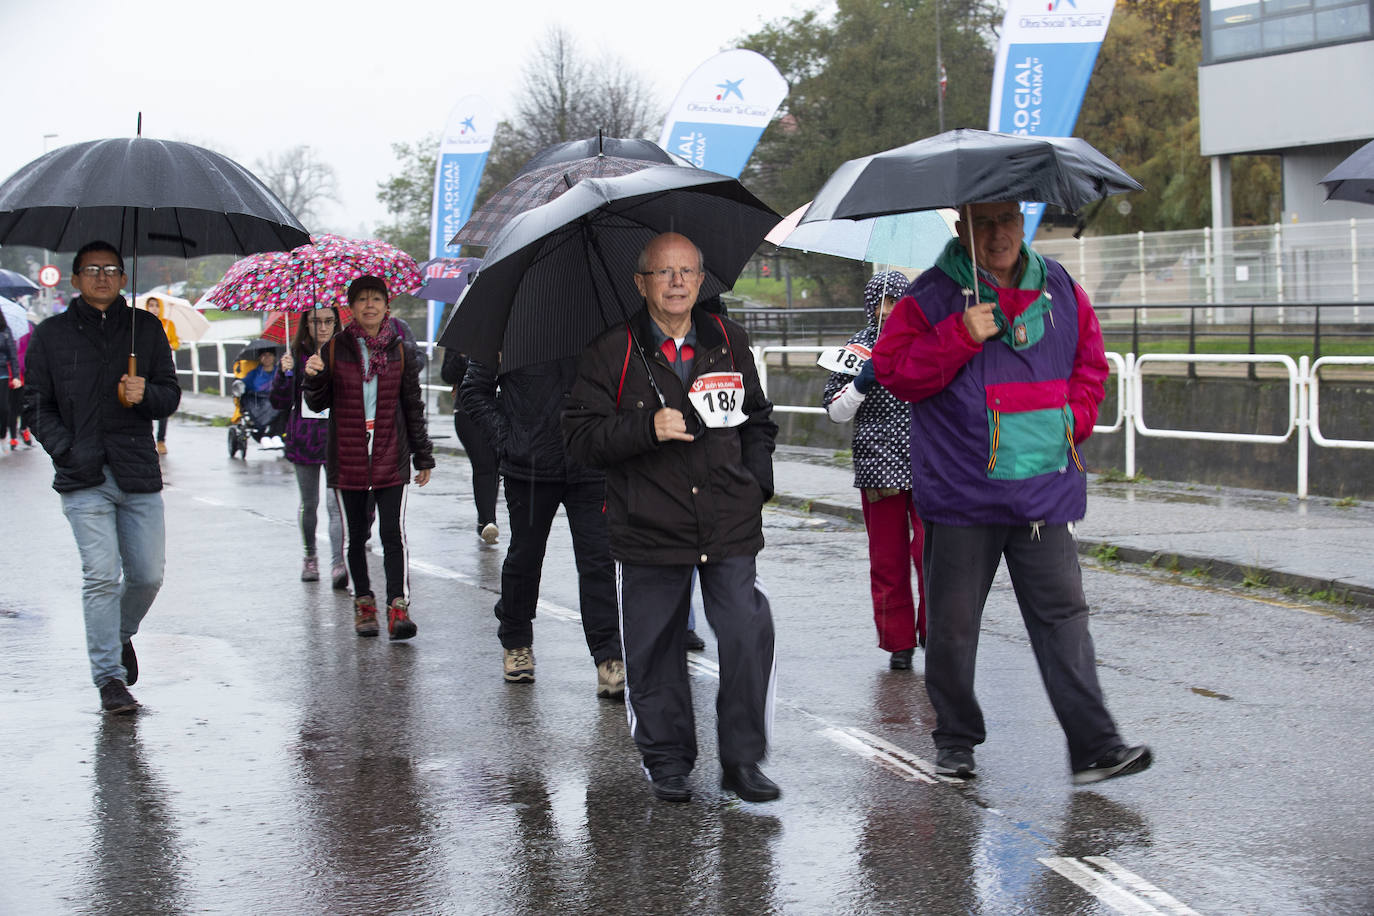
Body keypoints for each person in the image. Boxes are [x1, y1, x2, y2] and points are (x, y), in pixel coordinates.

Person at [870, 200, 1152, 785]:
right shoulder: (930, 296)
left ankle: (1096, 746)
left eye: (1008, 220)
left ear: (1022, 223)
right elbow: (894, 374)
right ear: (962, 227)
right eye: (984, 222)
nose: (998, 233)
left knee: (1064, 620)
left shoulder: (1061, 287)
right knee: (951, 626)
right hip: (961, 495)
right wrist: (958, 335)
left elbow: (1090, 365)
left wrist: (1069, 420)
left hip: (1041, 490)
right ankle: (955, 741)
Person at [563, 232, 780, 803]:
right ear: (642, 283)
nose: (677, 282)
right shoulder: (613, 351)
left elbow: (758, 420)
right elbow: (579, 438)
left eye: (687, 271)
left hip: (727, 520)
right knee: (654, 645)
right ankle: (667, 761)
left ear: (702, 279)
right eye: (664, 272)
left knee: (744, 631)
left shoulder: (729, 341)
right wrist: (645, 428)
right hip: (649, 525)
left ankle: (742, 759)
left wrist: (757, 484)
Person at [22, 241, 180, 714]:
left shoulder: (145, 329)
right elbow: (35, 404)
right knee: (100, 576)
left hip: (136, 469)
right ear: (75, 279)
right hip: (83, 473)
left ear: (124, 279)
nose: (103, 276)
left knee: (148, 575)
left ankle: (119, 634)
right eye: (92, 269)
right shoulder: (51, 335)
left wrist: (145, 393)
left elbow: (170, 395)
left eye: (112, 269)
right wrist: (66, 450)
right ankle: (109, 679)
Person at [460, 355, 625, 699]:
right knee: (525, 557)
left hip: (590, 463)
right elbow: (474, 391)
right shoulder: (509, 321)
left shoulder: (595, 316)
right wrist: (511, 439)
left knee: (599, 561)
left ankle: (608, 655)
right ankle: (517, 641)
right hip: (530, 465)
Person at [303, 276, 434, 641]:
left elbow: (412, 405)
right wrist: (312, 377)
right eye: (362, 299)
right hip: (348, 457)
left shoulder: (400, 350)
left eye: (377, 298)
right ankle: (364, 604)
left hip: (392, 454)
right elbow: (317, 403)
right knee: (356, 536)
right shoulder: (334, 349)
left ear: (387, 305)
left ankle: (398, 606)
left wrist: (423, 455)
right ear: (352, 307)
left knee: (393, 533)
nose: (370, 305)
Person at [822, 270, 927, 670]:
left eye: (895, 302)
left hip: (926, 461)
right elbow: (834, 410)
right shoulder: (857, 348)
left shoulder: (924, 341)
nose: (887, 311)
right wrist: (863, 382)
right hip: (877, 466)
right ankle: (898, 641)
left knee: (930, 552)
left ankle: (935, 629)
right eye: (881, 302)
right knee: (888, 558)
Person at [272, 308, 347, 588]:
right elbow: (278, 401)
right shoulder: (295, 354)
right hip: (304, 438)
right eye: (317, 321)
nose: (324, 327)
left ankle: (338, 563)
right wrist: (284, 373)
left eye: (329, 321)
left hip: (336, 437)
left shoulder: (343, 353)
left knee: (334, 504)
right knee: (310, 504)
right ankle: (309, 555)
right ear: (306, 323)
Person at [440, 348, 500, 544]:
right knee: (484, 464)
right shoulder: (464, 334)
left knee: (496, 466)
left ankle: (486, 520)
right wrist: (463, 356)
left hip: (503, 409)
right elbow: (447, 375)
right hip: (469, 412)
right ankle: (488, 521)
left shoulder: (509, 334)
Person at [144, 297, 180, 455]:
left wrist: (171, 344)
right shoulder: (142, 324)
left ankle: (161, 440)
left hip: (163, 368)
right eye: (151, 306)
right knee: (146, 401)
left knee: (163, 401)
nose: (154, 309)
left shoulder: (168, 325)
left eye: (156, 306)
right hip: (146, 368)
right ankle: (148, 438)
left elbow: (176, 342)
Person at [241, 346, 284, 443]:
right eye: (264, 355)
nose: (267, 358)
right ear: (260, 358)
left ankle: (277, 435)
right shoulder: (253, 374)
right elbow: (243, 384)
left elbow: (288, 381)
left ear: (274, 357)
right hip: (257, 401)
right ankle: (266, 434)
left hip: (275, 398)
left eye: (270, 355)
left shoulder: (280, 372)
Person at [0, 320, 20, 449]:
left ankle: (2, 433)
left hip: (2, 374)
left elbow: (13, 355)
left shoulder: (5, 331)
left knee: (4, 408)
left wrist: (16, 376)